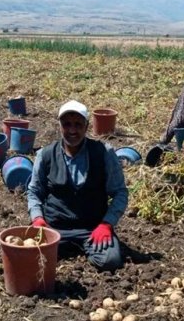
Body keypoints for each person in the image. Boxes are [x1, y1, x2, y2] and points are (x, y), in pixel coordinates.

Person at [27, 100, 129, 271]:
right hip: (56, 227)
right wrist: (37, 219)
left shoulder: (104, 152)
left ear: (87, 126)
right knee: (30, 257)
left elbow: (120, 192)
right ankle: (62, 247)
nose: (72, 130)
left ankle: (74, 247)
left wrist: (106, 224)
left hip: (92, 228)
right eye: (67, 124)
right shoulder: (45, 155)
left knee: (110, 261)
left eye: (78, 124)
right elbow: (34, 191)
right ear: (60, 125)